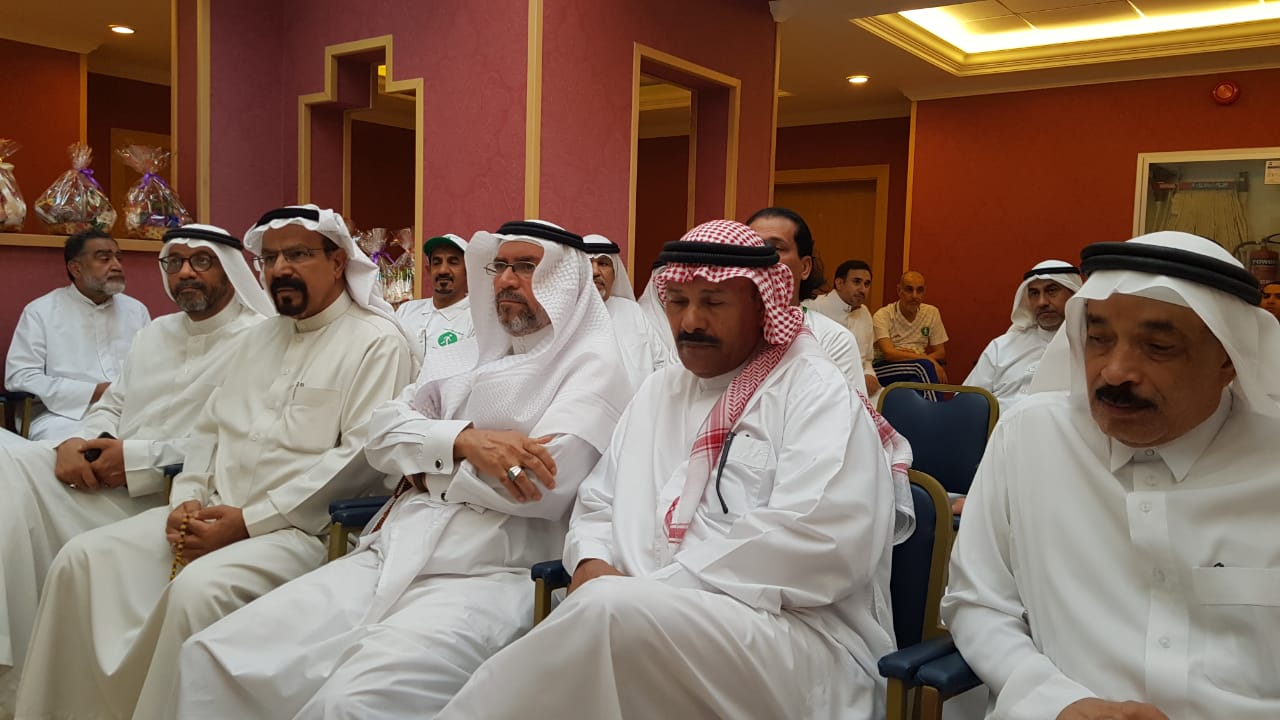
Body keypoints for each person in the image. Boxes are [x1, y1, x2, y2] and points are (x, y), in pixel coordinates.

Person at [440, 219, 904, 719]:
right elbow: (599, 502)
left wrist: (649, 591)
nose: (691, 321)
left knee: (603, 617)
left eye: (713, 302)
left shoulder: (813, 391)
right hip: (637, 615)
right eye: (678, 301)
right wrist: (591, 559)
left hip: (790, 639)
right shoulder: (658, 390)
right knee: (602, 620)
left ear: (762, 305)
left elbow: (822, 542)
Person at [170, 220, 632, 718]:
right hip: (388, 551)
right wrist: (463, 442)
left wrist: (423, 465)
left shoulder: (594, 368)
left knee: (350, 705)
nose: (504, 279)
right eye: (500, 265)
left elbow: (535, 485)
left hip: (487, 577)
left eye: (525, 267)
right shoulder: (468, 354)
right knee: (212, 655)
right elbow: (380, 434)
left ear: (564, 279)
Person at [15, 205, 414, 719]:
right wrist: (186, 499)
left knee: (196, 593)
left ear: (338, 262)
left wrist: (247, 522)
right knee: (82, 560)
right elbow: (209, 430)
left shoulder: (376, 342)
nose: (280, 269)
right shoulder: (259, 338)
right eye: (270, 258)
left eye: (297, 255)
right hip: (209, 513)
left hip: (299, 532)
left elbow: (357, 461)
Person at [941, 231, 1280, 720]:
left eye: (1158, 347)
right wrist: (1055, 702)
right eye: (1098, 339)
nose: (1115, 371)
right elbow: (977, 602)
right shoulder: (1029, 437)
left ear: (1228, 358)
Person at [0, 224, 269, 715]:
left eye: (201, 261)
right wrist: (80, 440)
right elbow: (113, 404)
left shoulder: (260, 341)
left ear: (231, 271)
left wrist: (136, 458)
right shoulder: (154, 333)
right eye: (174, 262)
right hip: (100, 474)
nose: (185, 273)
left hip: (161, 494)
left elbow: (231, 442)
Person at [5, 229, 151, 442]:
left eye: (118, 258)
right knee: (83, 449)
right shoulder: (41, 311)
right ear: (76, 268)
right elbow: (20, 377)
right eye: (104, 259)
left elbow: (151, 368)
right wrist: (93, 391)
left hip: (128, 413)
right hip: (61, 417)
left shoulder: (136, 310)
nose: (117, 266)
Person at [747, 207, 868, 394]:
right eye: (751, 248)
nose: (760, 258)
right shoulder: (727, 331)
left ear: (804, 267)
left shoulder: (834, 340)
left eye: (775, 248)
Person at [964, 260, 1082, 414]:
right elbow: (966, 401)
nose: (1042, 302)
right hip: (998, 427)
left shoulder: (1091, 346)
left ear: (1074, 294)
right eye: (1034, 293)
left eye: (1052, 291)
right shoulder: (1002, 346)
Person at [584, 232, 671, 388]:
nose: (595, 271)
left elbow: (661, 362)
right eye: (588, 263)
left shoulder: (632, 311)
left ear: (615, 273)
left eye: (603, 263)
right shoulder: (568, 316)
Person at [805, 258, 880, 395]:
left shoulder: (864, 313)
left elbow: (867, 360)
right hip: (820, 388)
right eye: (857, 282)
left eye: (867, 284)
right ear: (839, 283)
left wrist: (870, 374)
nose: (863, 289)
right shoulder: (812, 308)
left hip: (860, 390)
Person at [394, 233, 475, 354]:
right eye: (437, 263)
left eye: (453, 262)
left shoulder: (475, 320)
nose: (443, 270)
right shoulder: (406, 311)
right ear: (428, 270)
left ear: (468, 270)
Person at [873, 270, 949, 385]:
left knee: (917, 381)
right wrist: (926, 359)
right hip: (885, 366)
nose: (914, 296)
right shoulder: (883, 315)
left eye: (919, 290)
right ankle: (938, 398)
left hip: (918, 367)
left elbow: (941, 352)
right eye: (909, 289)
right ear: (899, 290)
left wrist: (921, 359)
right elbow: (889, 354)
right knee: (924, 367)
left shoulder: (931, 312)